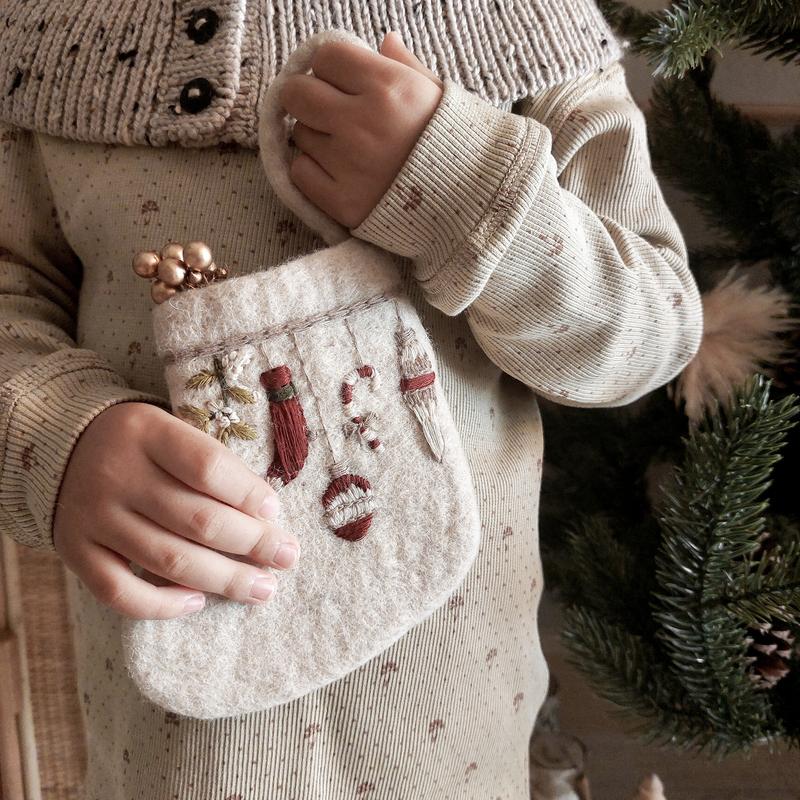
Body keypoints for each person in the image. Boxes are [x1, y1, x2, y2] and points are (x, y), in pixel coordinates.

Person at [0, 0, 702, 796]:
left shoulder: (523, 22)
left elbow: (650, 331)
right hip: (174, 761)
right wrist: (55, 437)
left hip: (459, 747)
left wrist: (466, 187)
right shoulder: (48, 31)